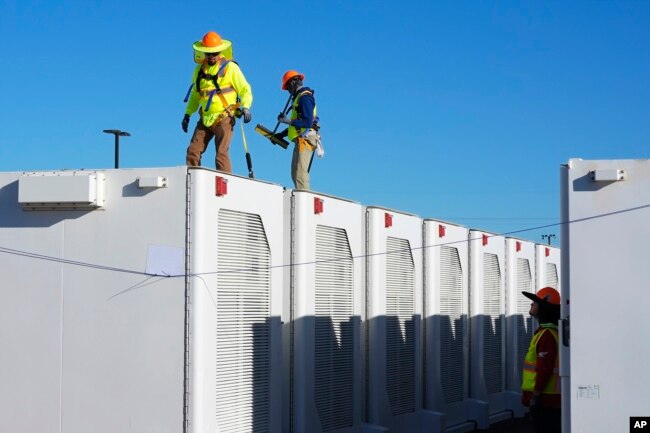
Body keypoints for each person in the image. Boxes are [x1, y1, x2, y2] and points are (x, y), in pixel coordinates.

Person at [182, 31, 253, 173]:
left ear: (220, 51)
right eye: (209, 53)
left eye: (215, 53)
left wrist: (246, 107)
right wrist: (187, 115)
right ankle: (192, 180)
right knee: (193, 151)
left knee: (221, 153)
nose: (212, 56)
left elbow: (245, 88)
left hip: (224, 116)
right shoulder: (199, 70)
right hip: (205, 118)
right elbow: (196, 96)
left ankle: (225, 184)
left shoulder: (230, 67)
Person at [521, 287, 562, 433]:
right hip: (548, 401)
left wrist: (535, 396)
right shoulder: (550, 332)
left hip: (545, 401)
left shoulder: (546, 335)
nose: (532, 304)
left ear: (544, 308)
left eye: (535, 302)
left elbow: (544, 369)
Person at [274, 70, 321, 190]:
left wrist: (287, 121)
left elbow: (307, 122)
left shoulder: (305, 98)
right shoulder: (298, 98)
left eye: (288, 87)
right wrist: (281, 135)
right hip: (301, 140)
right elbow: (296, 125)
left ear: (294, 82)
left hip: (306, 139)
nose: (289, 91)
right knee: (295, 173)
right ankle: (302, 198)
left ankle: (305, 202)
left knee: (300, 174)